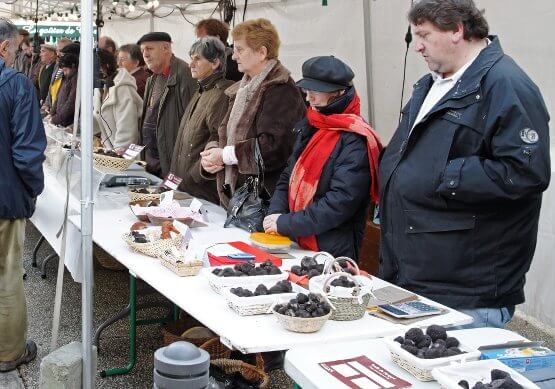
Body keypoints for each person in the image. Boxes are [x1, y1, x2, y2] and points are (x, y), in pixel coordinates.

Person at [379, 0, 551, 328]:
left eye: (424, 35)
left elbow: (526, 171)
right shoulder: (432, 84)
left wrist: (446, 176)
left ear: (457, 30)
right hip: (418, 280)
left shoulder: (505, 83)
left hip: (465, 291)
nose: (417, 47)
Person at [263, 56, 382, 260]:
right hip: (293, 239)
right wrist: (275, 215)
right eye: (306, 91)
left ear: (339, 93)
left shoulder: (355, 139)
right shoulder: (312, 122)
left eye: (314, 92)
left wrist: (286, 223)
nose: (308, 99)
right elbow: (287, 177)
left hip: (329, 250)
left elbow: (339, 203)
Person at [200, 18, 305, 207]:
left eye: (240, 50)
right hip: (238, 200)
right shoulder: (241, 89)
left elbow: (273, 148)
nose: (233, 56)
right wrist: (211, 155)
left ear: (262, 52)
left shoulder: (282, 90)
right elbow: (220, 131)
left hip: (265, 202)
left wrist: (224, 155)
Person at [0, 17, 46, 372]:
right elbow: (27, 153)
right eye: (15, 48)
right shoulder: (16, 85)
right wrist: (32, 190)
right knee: (6, 276)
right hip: (4, 198)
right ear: (4, 47)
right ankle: (8, 352)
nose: (16, 54)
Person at [170, 37, 233, 204]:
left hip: (202, 192)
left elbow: (218, 140)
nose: (191, 64)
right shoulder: (201, 90)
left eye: (197, 59)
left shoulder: (221, 94)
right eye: (191, 58)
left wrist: (194, 176)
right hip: (186, 187)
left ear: (215, 63)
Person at [138, 32, 196, 177]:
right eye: (142, 50)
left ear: (166, 48)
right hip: (152, 159)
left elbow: (192, 124)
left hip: (171, 163)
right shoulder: (152, 79)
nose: (145, 54)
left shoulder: (185, 74)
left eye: (149, 49)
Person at [93, 48, 143, 149]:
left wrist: (118, 155)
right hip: (110, 152)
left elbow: (127, 129)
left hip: (124, 156)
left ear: (105, 66)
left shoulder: (123, 89)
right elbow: (99, 120)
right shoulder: (100, 88)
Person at [49, 43, 79, 127]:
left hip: (69, 123)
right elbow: (58, 95)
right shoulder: (66, 75)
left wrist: (55, 119)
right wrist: (52, 113)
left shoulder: (77, 78)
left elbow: (71, 103)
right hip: (61, 121)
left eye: (65, 55)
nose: (62, 57)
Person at [42, 38, 72, 113]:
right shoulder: (57, 65)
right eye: (57, 50)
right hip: (53, 109)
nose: (58, 54)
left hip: (61, 111)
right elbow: (51, 87)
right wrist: (47, 103)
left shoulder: (72, 69)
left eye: (61, 51)